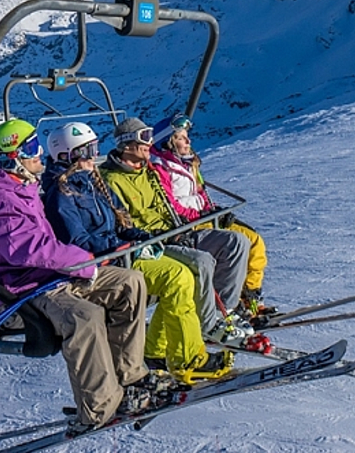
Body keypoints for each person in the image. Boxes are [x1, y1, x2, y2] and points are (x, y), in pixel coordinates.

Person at [0, 118, 171, 434]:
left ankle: (131, 376)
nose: (39, 153)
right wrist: (84, 261)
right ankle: (100, 407)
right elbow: (28, 249)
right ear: (10, 159)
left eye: (37, 144)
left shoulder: (18, 185)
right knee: (84, 316)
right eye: (30, 148)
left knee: (129, 283)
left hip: (47, 276)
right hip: (18, 289)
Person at [39, 122, 232, 383]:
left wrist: (138, 236)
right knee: (176, 278)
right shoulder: (62, 194)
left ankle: (164, 350)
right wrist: (117, 244)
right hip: (105, 263)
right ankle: (186, 359)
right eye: (87, 151)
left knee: (184, 274)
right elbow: (77, 240)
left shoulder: (93, 182)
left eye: (95, 149)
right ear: (68, 155)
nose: (94, 156)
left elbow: (122, 219)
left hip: (122, 252)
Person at [99, 116, 254, 344]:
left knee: (236, 243)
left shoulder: (148, 171)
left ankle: (224, 312)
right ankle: (208, 324)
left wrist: (183, 223)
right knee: (201, 262)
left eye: (150, 137)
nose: (149, 144)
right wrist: (157, 237)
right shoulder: (112, 180)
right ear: (127, 145)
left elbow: (168, 204)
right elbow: (124, 224)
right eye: (144, 138)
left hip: (175, 231)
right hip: (153, 243)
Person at [150, 113, 273, 317]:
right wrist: (200, 214)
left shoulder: (188, 164)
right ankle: (225, 310)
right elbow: (170, 205)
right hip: (190, 224)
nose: (188, 141)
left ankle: (249, 299)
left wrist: (213, 209)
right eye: (181, 137)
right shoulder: (160, 168)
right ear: (168, 142)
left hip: (205, 218)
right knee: (237, 242)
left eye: (186, 135)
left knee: (254, 241)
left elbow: (199, 195)